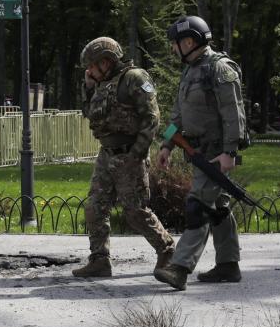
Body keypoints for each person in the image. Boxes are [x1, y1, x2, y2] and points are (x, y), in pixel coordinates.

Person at [154, 15, 248, 290]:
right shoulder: (190, 70)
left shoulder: (219, 68)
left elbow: (234, 113)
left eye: (174, 44)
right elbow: (178, 116)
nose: (172, 49)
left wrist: (230, 152)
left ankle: (179, 268)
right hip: (197, 152)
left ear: (189, 41)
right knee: (218, 209)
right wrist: (167, 145)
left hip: (217, 153)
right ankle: (228, 266)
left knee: (198, 206)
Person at [73, 36, 174, 279]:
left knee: (135, 211)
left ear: (105, 61)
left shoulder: (134, 79)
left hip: (130, 154)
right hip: (106, 154)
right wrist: (87, 88)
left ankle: (167, 250)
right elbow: (91, 114)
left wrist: (137, 154)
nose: (89, 70)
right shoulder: (102, 84)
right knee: (95, 208)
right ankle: (99, 260)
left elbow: (152, 118)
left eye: (92, 65)